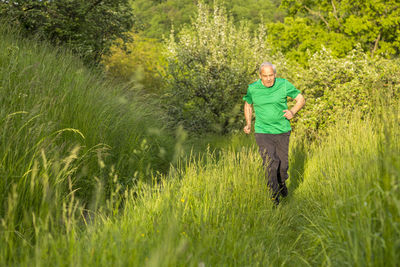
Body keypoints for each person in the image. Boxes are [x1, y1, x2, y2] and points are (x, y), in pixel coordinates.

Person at [243, 62, 305, 205]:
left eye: (271, 75)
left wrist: (292, 111)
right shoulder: (253, 88)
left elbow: (301, 99)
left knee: (283, 166)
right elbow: (248, 104)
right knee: (270, 163)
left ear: (275, 75)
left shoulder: (283, 84)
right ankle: (274, 195)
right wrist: (248, 123)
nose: (269, 79)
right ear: (260, 76)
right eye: (265, 76)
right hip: (263, 132)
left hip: (282, 131)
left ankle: (282, 183)